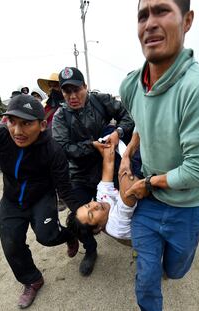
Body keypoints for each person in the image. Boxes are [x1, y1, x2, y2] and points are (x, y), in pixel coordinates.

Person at [118, 1, 199, 309]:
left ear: (187, 21)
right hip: (149, 206)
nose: (149, 23)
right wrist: (128, 156)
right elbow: (142, 119)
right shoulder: (130, 85)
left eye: (162, 11)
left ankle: (171, 267)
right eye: (142, 16)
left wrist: (145, 183)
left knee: (175, 270)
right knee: (147, 275)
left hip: (188, 206)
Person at [0, 94, 81, 309]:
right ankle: (32, 280)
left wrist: (80, 213)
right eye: (12, 122)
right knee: (11, 244)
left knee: (47, 237)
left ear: (42, 125)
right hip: (11, 200)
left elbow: (64, 188)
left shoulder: (53, 150)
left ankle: (68, 235)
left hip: (42, 197)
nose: (17, 131)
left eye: (26, 123)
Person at [52, 66, 134, 277]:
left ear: (85, 87)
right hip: (78, 174)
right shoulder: (60, 116)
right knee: (78, 218)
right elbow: (62, 148)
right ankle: (90, 250)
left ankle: (131, 236)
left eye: (76, 90)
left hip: (107, 165)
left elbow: (129, 117)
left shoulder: (102, 100)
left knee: (123, 203)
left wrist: (118, 132)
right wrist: (91, 145)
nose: (72, 96)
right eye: (67, 92)